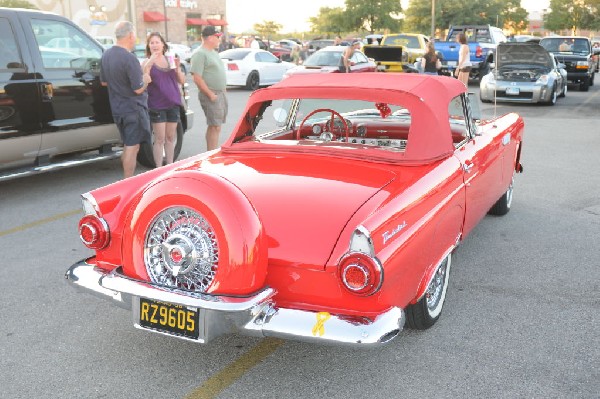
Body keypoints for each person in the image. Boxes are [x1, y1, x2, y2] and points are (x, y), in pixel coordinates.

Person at [100, 21, 152, 179]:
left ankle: (126, 180)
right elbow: (138, 88)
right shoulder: (129, 58)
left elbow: (103, 82)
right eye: (135, 34)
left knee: (128, 144)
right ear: (130, 35)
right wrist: (146, 80)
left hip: (117, 108)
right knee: (132, 146)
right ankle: (127, 181)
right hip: (133, 109)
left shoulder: (106, 55)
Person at [142, 32, 185, 168]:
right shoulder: (146, 62)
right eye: (152, 43)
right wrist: (149, 63)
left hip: (173, 103)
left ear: (163, 45)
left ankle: (170, 166)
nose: (155, 45)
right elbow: (144, 81)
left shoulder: (170, 59)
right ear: (149, 46)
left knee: (170, 138)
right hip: (157, 105)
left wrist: (177, 68)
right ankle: (159, 168)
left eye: (157, 42)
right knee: (159, 139)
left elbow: (181, 81)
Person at [190, 26, 228, 151]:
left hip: (220, 93)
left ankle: (212, 153)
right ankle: (211, 154)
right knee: (214, 125)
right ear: (210, 37)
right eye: (217, 36)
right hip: (211, 94)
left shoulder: (213, 52)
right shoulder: (200, 54)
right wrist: (210, 94)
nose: (219, 39)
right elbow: (197, 78)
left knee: (217, 126)